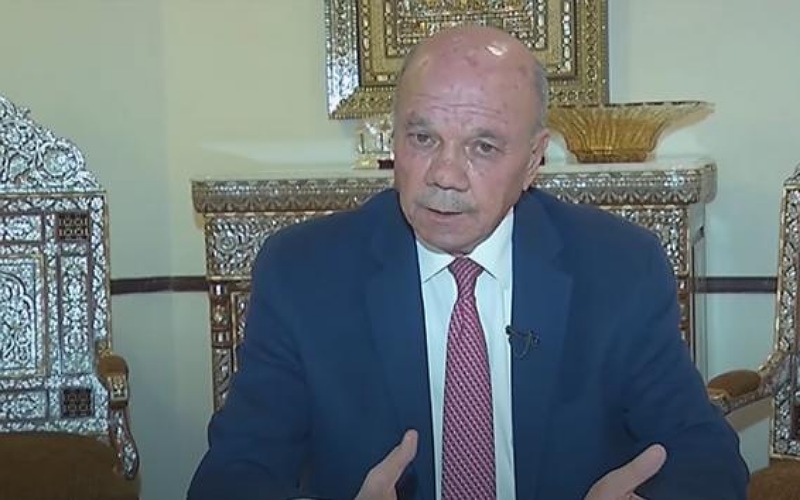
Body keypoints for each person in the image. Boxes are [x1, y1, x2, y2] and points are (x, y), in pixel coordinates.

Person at [188, 25, 748, 500]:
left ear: (533, 160)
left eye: (484, 146)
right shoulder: (304, 274)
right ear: (394, 140)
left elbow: (708, 461)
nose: (445, 175)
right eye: (422, 137)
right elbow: (232, 476)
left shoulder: (619, 268)